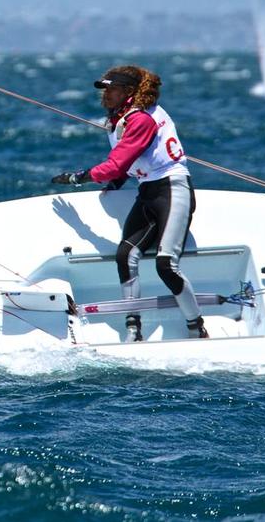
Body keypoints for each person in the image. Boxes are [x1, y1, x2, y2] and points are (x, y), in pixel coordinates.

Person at [51, 65, 207, 341]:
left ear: (130, 92)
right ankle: (134, 329)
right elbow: (128, 159)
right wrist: (119, 181)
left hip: (173, 189)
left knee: (166, 265)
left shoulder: (140, 120)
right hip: (148, 191)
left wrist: (78, 178)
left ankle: (197, 327)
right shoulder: (123, 117)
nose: (106, 94)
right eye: (105, 89)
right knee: (126, 255)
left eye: (112, 89)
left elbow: (115, 163)